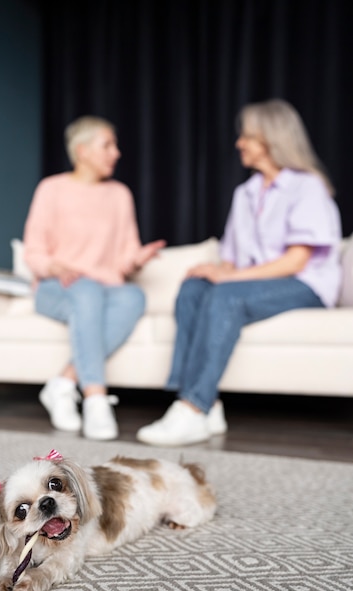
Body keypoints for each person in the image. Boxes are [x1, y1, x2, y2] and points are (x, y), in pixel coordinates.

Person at [136, 98, 342, 447]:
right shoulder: (244, 193)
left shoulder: (306, 187)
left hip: (304, 284)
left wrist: (228, 278)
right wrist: (214, 269)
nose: (239, 143)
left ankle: (192, 405)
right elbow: (233, 259)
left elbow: (296, 261)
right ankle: (207, 404)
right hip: (253, 283)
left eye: (246, 136)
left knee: (224, 294)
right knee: (193, 287)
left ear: (270, 139)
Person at [24, 115, 166, 440]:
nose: (116, 153)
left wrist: (137, 258)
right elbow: (34, 252)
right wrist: (55, 266)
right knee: (86, 291)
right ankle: (96, 398)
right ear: (82, 150)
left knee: (134, 296)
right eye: (108, 146)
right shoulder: (52, 189)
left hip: (102, 288)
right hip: (55, 287)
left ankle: (63, 383)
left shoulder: (119, 195)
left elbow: (123, 257)